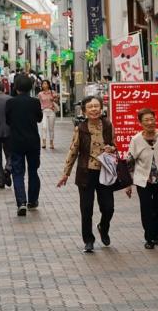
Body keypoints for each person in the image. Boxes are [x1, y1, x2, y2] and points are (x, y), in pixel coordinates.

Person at [57, 96, 116, 252]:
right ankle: (88, 240)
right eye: (90, 107)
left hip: (105, 172)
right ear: (84, 110)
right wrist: (66, 173)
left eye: (97, 106)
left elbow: (114, 145)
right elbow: (73, 151)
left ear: (101, 108)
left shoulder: (108, 125)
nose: (94, 109)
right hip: (85, 172)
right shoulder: (81, 128)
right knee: (86, 208)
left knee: (108, 207)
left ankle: (103, 227)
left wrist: (112, 148)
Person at [125, 108, 158, 249]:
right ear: (140, 123)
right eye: (146, 120)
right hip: (143, 180)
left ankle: (155, 233)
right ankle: (149, 238)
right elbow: (130, 161)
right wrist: (128, 183)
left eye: (152, 119)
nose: (150, 122)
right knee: (146, 208)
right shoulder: (136, 140)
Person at [5, 74, 43, 216]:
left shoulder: (10, 103)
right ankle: (32, 201)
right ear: (31, 87)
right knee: (33, 171)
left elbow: (8, 121)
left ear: (16, 87)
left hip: (16, 141)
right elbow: (39, 118)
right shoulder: (35, 102)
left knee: (18, 172)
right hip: (33, 141)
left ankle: (21, 202)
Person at [38, 79, 59, 149]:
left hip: (51, 111)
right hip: (44, 111)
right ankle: (44, 143)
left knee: (51, 128)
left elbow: (57, 99)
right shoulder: (40, 94)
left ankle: (51, 143)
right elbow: (39, 103)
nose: (44, 85)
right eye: (43, 84)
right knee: (44, 127)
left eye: (46, 84)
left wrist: (53, 99)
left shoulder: (52, 92)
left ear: (48, 85)